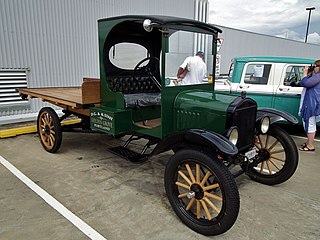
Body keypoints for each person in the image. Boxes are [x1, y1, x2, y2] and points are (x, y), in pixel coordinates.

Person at [298, 59, 320, 151]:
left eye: (315, 66)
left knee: (310, 123)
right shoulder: (317, 76)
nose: (313, 68)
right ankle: (308, 142)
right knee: (310, 122)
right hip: (313, 102)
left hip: (312, 103)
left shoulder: (318, 76)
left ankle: (310, 145)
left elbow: (305, 83)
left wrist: (304, 73)